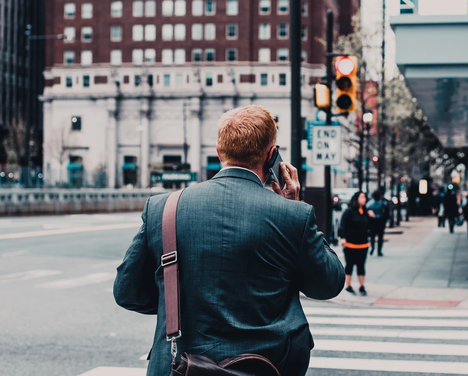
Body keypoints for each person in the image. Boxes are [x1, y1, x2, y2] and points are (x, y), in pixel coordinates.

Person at [114, 105, 345, 376]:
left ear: (220, 152)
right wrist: (294, 205)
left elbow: (127, 292)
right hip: (267, 366)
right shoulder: (293, 214)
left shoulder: (163, 208)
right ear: (272, 156)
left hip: (181, 367)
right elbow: (328, 284)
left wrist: (182, 300)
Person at [338, 191, 375, 296]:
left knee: (361, 265)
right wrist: (343, 238)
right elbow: (342, 224)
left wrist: (372, 217)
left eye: (365, 197)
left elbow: (371, 227)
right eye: (362, 197)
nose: (364, 199)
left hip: (363, 244)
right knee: (349, 265)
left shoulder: (366, 212)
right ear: (356, 199)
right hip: (350, 244)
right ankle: (348, 286)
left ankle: (362, 286)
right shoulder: (349, 211)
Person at [368, 189, 389, 257]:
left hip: (372, 222)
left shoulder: (370, 203)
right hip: (380, 222)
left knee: (372, 237)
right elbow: (386, 212)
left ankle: (373, 248)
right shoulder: (383, 203)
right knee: (380, 237)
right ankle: (379, 251)